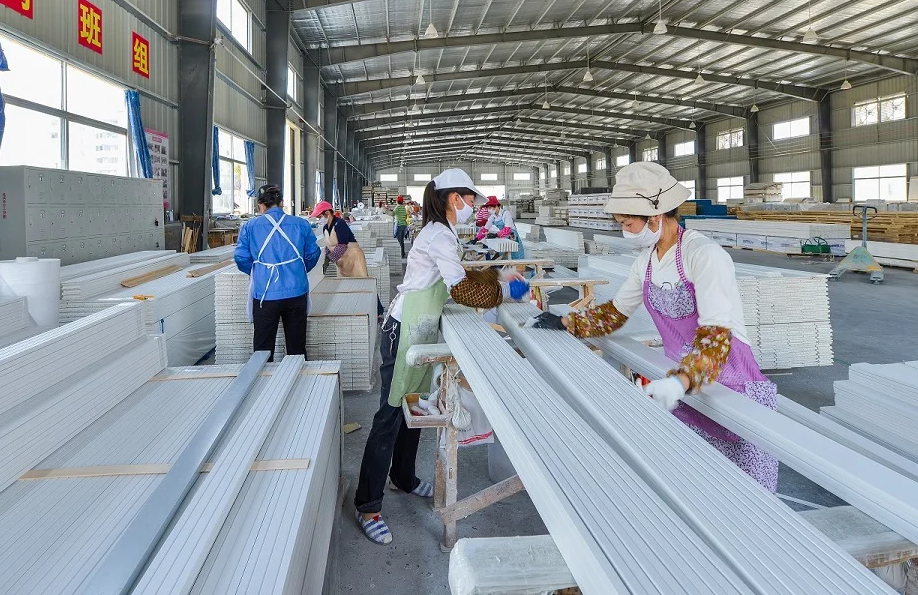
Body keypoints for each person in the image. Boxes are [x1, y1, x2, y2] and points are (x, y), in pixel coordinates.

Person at [560, 162, 778, 492]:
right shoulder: (646, 262)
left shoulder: (703, 255)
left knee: (742, 496)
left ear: (656, 215)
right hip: (686, 389)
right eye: (621, 224)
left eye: (628, 223)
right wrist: (566, 321)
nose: (625, 231)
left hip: (731, 388)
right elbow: (616, 313)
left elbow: (717, 335)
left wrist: (682, 382)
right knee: (694, 490)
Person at [355, 169, 527, 544]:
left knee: (413, 404)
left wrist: (499, 277)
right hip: (403, 330)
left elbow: (460, 276)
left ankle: (403, 477)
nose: (473, 207)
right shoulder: (439, 235)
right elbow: (460, 288)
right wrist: (503, 291)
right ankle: (367, 505)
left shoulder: (444, 232)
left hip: (419, 326)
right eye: (470, 200)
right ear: (454, 198)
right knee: (389, 415)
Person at [234, 183, 322, 358]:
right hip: (296, 292)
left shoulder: (250, 226)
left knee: (263, 350)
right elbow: (313, 253)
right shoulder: (301, 224)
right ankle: (297, 373)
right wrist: (298, 270)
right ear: (282, 203)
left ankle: (264, 375)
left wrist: (259, 272)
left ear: (260, 205)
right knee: (297, 348)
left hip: (265, 295)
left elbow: (241, 258)